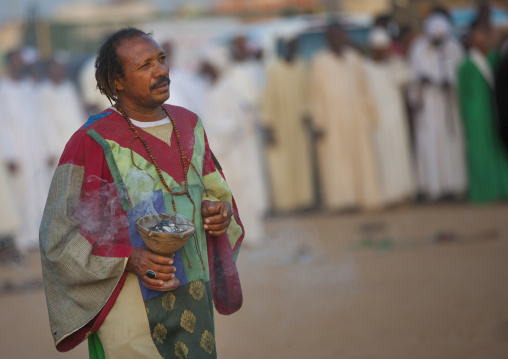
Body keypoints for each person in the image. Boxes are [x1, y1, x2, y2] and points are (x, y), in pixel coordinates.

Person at [39, 28, 244, 358]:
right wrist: (129, 259)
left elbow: (217, 194)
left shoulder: (190, 125)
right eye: (145, 64)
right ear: (117, 81)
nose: (161, 70)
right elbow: (58, 238)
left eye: (161, 59)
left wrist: (218, 212)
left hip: (194, 292)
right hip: (131, 308)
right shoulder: (92, 141)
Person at [309, 22, 382, 211]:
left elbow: (364, 88)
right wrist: (318, 121)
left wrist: (370, 115)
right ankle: (341, 201)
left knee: (360, 157)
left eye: (340, 36)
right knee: (336, 159)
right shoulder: (319, 61)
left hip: (356, 115)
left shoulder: (354, 58)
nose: (337, 40)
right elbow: (315, 94)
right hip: (331, 118)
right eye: (333, 36)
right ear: (328, 39)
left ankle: (363, 198)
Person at [0, 49, 59, 252]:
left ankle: (39, 235)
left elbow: (43, 119)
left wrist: (50, 147)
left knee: (40, 189)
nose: (19, 65)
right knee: (20, 191)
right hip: (16, 151)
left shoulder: (30, 88)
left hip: (37, 149)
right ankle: (22, 239)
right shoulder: (3, 89)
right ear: (9, 64)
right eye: (15, 61)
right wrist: (8, 155)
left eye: (21, 61)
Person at [408, 10, 467, 200]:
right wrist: (421, 83)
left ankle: (454, 185)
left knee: (451, 144)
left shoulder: (454, 48)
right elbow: (411, 78)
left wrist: (452, 83)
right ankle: (434, 189)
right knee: (430, 143)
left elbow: (462, 74)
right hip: (429, 105)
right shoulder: (418, 48)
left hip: (449, 103)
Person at [262, 35, 314, 212]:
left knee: (301, 161)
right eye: (291, 45)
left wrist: (308, 113)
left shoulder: (301, 67)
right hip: (280, 125)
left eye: (296, 45)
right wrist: (269, 126)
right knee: (281, 164)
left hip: (299, 124)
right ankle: (285, 204)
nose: (294, 49)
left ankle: (303, 200)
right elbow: (268, 99)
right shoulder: (274, 70)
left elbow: (307, 94)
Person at [364, 27, 416, 206]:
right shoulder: (365, 68)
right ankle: (388, 196)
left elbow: (405, 78)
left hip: (396, 120)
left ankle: (404, 192)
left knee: (399, 156)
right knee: (383, 158)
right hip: (377, 121)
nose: (381, 51)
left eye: (384, 48)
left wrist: (393, 60)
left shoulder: (395, 65)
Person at [458, 21, 508, 202]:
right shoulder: (467, 64)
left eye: (484, 37)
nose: (482, 41)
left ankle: (502, 188)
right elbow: (463, 94)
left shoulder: (495, 58)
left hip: (494, 110)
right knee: (479, 151)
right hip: (476, 114)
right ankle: (483, 192)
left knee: (498, 149)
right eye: (478, 38)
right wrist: (466, 115)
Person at [38, 57, 87, 157]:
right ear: (48, 70)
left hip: (76, 137)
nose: (59, 71)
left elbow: (78, 114)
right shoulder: (42, 91)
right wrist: (51, 148)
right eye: (55, 68)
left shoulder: (69, 87)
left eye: (61, 68)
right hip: (56, 142)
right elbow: (45, 122)